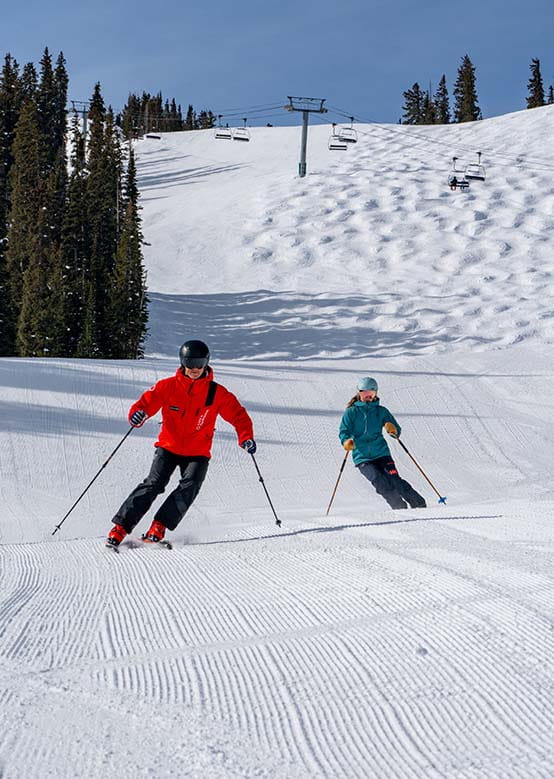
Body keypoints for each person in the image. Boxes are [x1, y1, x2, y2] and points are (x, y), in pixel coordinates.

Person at [106, 340, 256, 548]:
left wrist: (245, 436)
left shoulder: (216, 393)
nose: (194, 369)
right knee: (154, 484)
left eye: (199, 363)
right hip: (168, 446)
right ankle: (121, 527)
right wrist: (137, 415)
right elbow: (146, 403)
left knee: (191, 485)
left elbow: (238, 415)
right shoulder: (167, 386)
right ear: (182, 362)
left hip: (197, 451)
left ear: (206, 363)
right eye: (190, 362)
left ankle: (159, 525)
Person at [339, 377, 426, 510]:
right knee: (381, 484)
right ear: (359, 393)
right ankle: (399, 508)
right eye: (364, 393)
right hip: (362, 457)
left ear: (376, 393)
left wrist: (392, 429)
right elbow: (344, 431)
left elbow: (396, 431)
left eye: (372, 393)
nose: (368, 396)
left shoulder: (381, 411)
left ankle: (419, 504)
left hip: (381, 453)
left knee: (394, 479)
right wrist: (347, 441)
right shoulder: (351, 412)